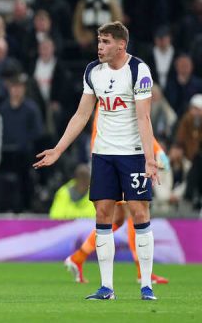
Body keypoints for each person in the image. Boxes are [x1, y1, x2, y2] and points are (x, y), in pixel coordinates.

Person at [35, 21, 159, 301]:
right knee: (103, 215)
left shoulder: (139, 70)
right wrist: (58, 149)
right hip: (103, 154)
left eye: (105, 42)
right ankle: (107, 288)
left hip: (133, 153)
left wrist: (149, 160)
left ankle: (146, 286)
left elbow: (143, 117)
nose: (99, 47)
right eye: (98, 41)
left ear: (121, 45)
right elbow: (81, 115)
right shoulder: (93, 71)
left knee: (140, 214)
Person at [63, 107, 169, 285]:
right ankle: (141, 272)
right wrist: (157, 150)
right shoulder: (118, 90)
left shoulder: (108, 91)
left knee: (119, 218)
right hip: (115, 156)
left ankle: (78, 258)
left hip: (109, 154)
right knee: (133, 212)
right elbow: (136, 122)